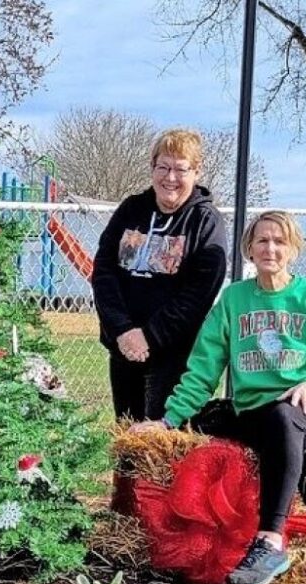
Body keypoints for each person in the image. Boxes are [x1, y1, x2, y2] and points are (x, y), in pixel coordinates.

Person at [132, 211, 306, 584]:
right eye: (262, 240)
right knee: (302, 443)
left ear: (294, 250)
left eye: (280, 241)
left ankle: (269, 539)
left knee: (291, 419)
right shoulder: (234, 300)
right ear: (249, 248)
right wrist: (170, 421)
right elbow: (204, 370)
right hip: (262, 413)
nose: (271, 248)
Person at [92, 128, 228, 422]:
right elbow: (104, 271)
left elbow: (199, 292)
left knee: (161, 441)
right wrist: (122, 330)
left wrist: (150, 336)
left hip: (173, 354)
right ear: (152, 168)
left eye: (180, 169)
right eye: (163, 167)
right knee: (128, 439)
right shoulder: (131, 210)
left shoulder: (205, 221)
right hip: (125, 347)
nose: (170, 178)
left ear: (196, 171)